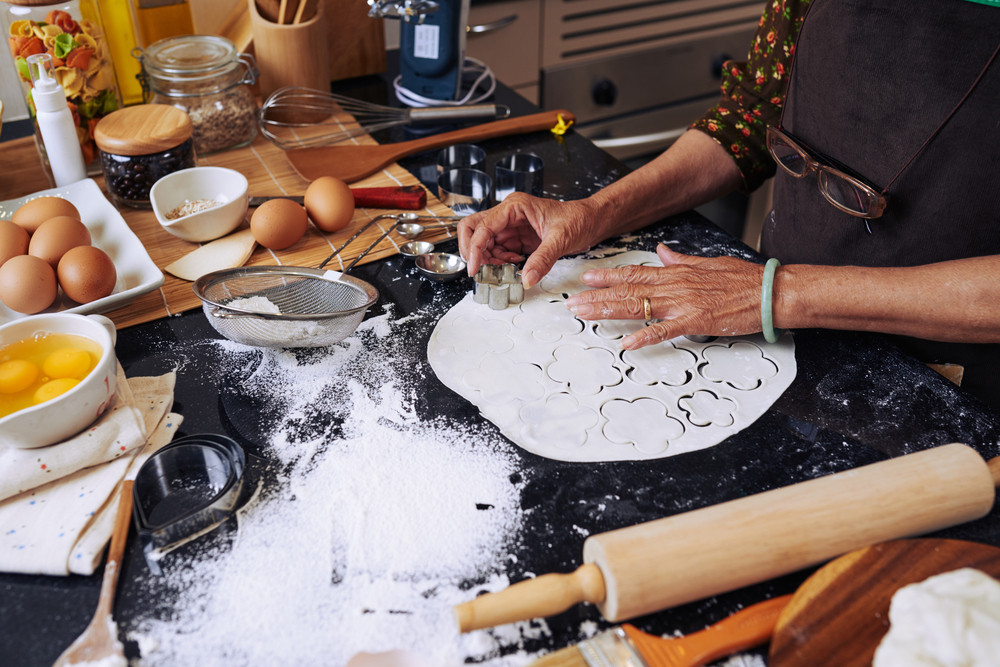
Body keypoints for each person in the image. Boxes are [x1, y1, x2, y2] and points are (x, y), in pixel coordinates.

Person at [458, 0, 1000, 412]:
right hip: (776, 325)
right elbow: (755, 111)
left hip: (946, 373)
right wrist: (597, 213)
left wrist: (777, 292)